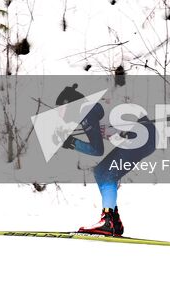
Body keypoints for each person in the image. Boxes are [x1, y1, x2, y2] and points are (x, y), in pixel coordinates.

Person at [56, 84, 157, 237]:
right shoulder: (88, 111)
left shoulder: (86, 111)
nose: (59, 114)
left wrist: (71, 143)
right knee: (101, 171)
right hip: (145, 137)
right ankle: (113, 221)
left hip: (142, 137)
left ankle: (108, 221)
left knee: (107, 174)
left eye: (60, 109)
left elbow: (97, 150)